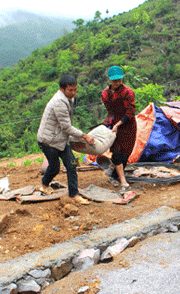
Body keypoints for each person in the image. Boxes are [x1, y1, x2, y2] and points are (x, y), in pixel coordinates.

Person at [37, 74, 95, 205]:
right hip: (49, 141)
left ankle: (73, 195)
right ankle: (44, 184)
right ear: (62, 89)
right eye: (70, 90)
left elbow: (66, 126)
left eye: (75, 89)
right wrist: (84, 136)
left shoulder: (68, 98)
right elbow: (66, 127)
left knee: (72, 165)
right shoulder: (59, 102)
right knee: (54, 167)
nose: (73, 92)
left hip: (61, 139)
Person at [101, 66, 138, 194]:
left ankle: (113, 175)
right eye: (114, 81)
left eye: (119, 80)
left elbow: (130, 112)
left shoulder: (128, 92)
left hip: (128, 125)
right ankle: (123, 182)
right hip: (115, 125)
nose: (117, 83)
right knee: (116, 152)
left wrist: (118, 124)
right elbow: (110, 112)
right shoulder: (105, 94)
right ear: (110, 80)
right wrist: (106, 124)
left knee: (125, 154)